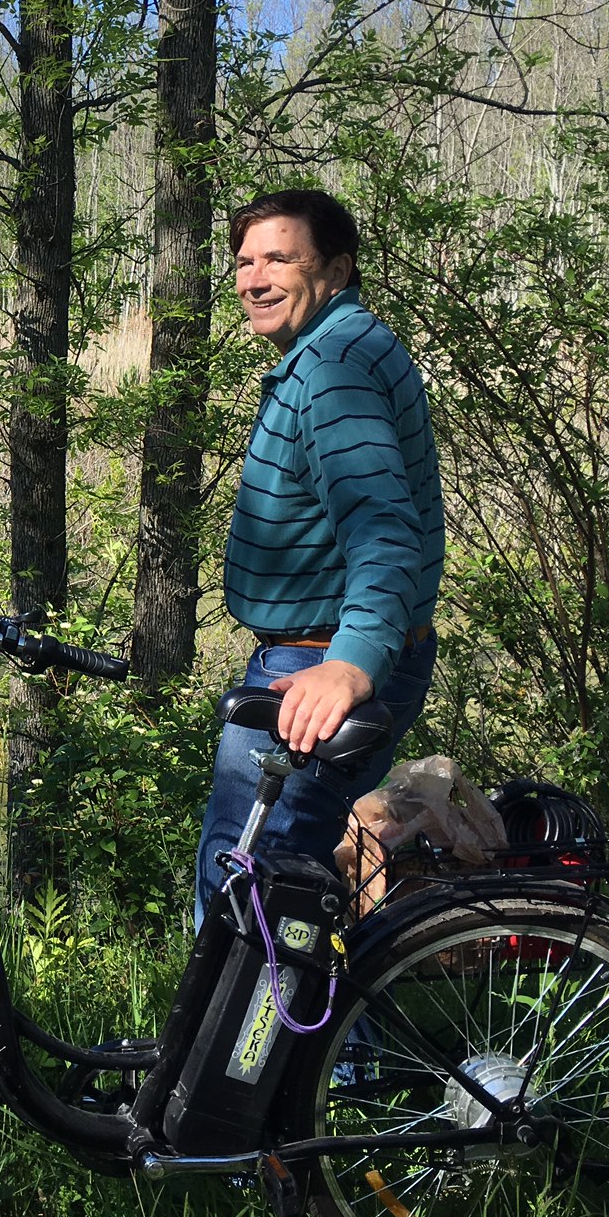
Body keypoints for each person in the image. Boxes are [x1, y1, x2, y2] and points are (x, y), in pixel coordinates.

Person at [195, 188, 443, 925]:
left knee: (245, 891)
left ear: (335, 270)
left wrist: (351, 662)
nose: (254, 278)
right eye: (244, 261)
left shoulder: (332, 368)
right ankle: (345, 1042)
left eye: (279, 258)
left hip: (318, 665)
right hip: (321, 656)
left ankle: (258, 1044)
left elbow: (383, 526)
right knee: (300, 887)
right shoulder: (335, 348)